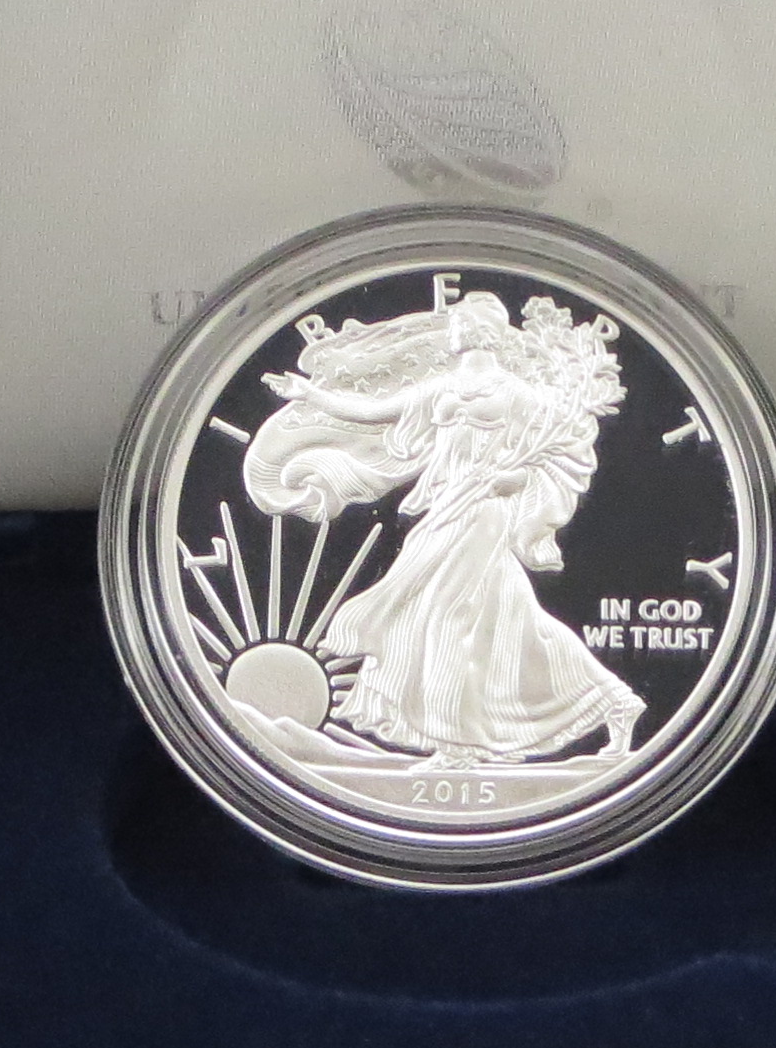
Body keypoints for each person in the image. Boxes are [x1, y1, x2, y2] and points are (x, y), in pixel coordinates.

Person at [242, 288, 642, 762]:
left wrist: (516, 479)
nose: (449, 329)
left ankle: (459, 743)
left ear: (477, 330)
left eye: (456, 322)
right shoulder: (445, 387)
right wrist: (310, 394)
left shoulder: (519, 395)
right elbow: (373, 412)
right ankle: (614, 701)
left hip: (484, 511)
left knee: (447, 614)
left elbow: (563, 451)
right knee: (513, 622)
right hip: (447, 505)